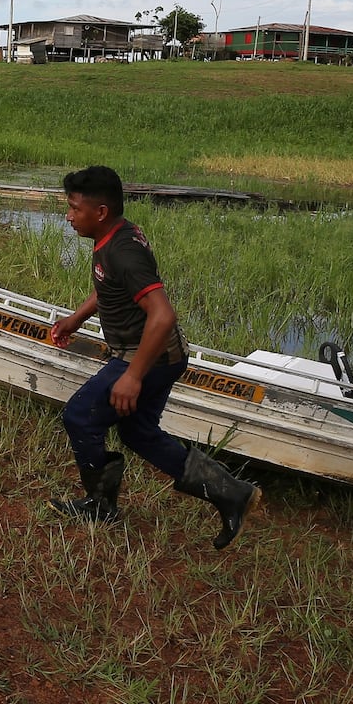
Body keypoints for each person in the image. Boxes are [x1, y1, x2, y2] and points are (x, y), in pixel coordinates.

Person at [47, 165, 259, 548]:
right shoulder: (114, 238)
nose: (68, 216)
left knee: (80, 417)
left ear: (100, 212)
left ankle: (101, 506)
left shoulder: (123, 251)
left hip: (148, 357)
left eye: (74, 208)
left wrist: (132, 376)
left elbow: (163, 315)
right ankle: (232, 493)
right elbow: (113, 289)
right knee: (138, 432)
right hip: (159, 355)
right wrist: (76, 318)